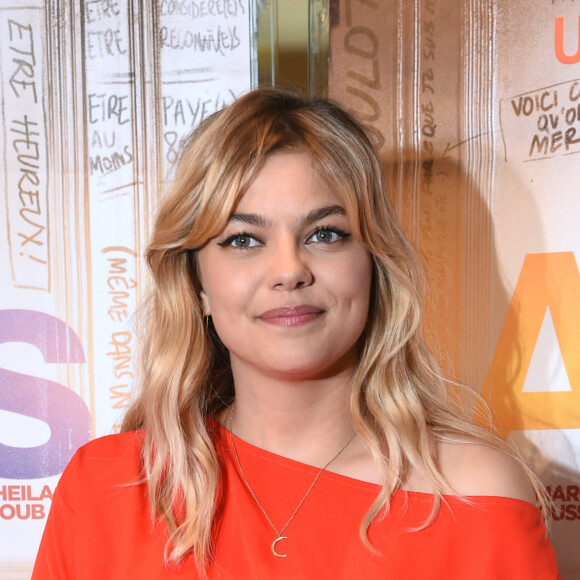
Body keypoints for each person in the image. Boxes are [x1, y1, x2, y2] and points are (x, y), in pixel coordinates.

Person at [32, 87, 560, 579]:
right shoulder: (106, 487)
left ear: (374, 266)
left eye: (325, 234)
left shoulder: (476, 497)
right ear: (196, 283)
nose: (289, 269)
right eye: (243, 239)